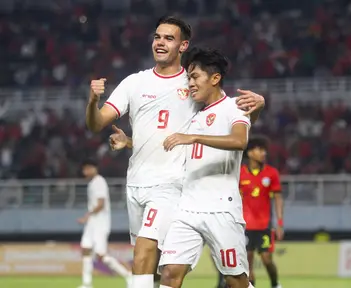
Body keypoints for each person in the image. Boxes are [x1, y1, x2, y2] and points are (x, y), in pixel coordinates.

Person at [87, 15, 264, 288]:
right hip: (145, 187)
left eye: (169, 38)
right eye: (157, 36)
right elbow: (99, 124)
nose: (160, 42)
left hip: (177, 188)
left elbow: (229, 122)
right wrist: (96, 105)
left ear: (183, 46)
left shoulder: (195, 86)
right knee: (161, 271)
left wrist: (260, 103)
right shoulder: (136, 83)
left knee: (145, 253)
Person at [155, 47, 259, 288]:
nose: (190, 83)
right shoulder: (193, 115)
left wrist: (194, 138)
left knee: (236, 281)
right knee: (169, 273)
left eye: (194, 77)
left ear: (215, 78)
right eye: (188, 78)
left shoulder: (234, 107)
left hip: (222, 209)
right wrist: (128, 142)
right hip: (187, 209)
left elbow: (239, 141)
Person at [78, 159, 131, 288]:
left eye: (86, 169)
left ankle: (128, 274)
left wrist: (87, 216)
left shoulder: (99, 182)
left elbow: (101, 204)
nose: (84, 172)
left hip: (100, 223)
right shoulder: (92, 183)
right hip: (92, 222)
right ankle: (87, 283)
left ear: (92, 168)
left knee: (101, 255)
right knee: (85, 248)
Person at [239, 136, 284, 288]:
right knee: (248, 262)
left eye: (264, 150)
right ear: (250, 153)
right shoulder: (240, 173)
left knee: (267, 260)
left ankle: (275, 283)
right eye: (260, 150)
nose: (264, 153)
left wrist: (279, 223)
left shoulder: (271, 173)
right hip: (245, 226)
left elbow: (278, 198)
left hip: (264, 225)